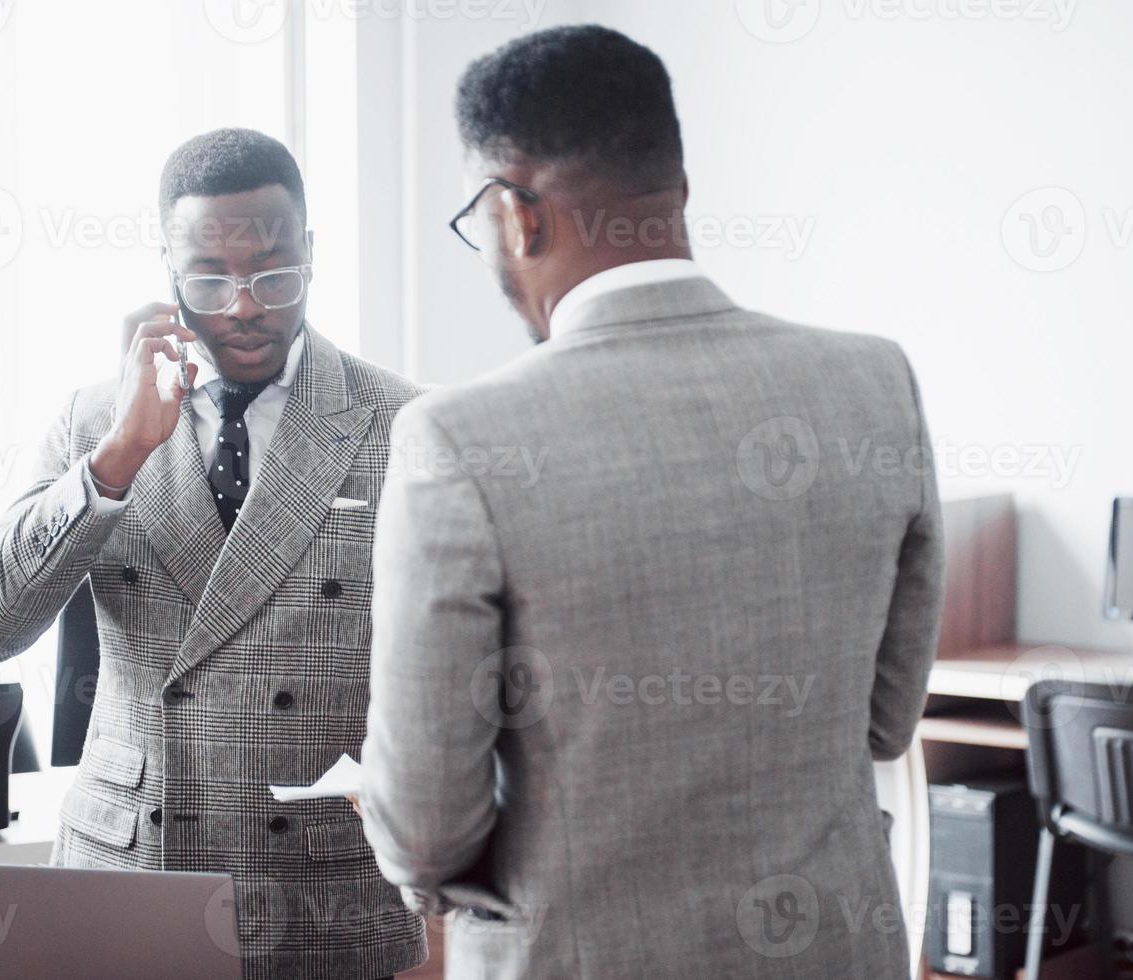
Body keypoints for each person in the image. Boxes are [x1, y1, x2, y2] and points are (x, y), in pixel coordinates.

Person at [358, 25, 945, 979]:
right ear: (674, 185)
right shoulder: (875, 383)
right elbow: (882, 721)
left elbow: (425, 832)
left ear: (516, 214)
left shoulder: (459, 439)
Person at [0, 128, 426, 980]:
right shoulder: (94, 421)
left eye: (274, 273)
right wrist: (115, 460)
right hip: (130, 876)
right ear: (166, 267)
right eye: (208, 276)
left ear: (311, 256)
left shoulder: (402, 422)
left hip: (318, 891)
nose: (244, 305)